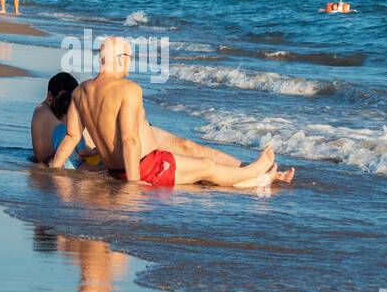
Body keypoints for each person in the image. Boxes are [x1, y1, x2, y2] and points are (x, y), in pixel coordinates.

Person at [50, 37, 291, 188]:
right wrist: (134, 184)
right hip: (146, 166)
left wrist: (54, 169)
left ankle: (258, 180)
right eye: (129, 58)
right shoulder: (128, 88)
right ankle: (253, 170)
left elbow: (72, 137)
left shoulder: (80, 92)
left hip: (118, 169)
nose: (130, 64)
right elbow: (129, 139)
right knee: (207, 167)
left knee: (200, 177)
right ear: (120, 59)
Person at [31, 73, 100, 169]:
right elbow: (71, 137)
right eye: (65, 99)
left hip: (60, 161)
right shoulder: (43, 110)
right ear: (49, 96)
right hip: (63, 163)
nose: (67, 103)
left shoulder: (50, 112)